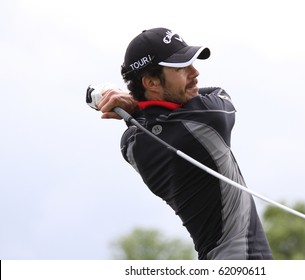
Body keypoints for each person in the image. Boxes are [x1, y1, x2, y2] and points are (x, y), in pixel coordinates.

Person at [96, 27, 273, 260]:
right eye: (181, 68)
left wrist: (136, 103)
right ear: (151, 82)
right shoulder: (209, 120)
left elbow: (149, 121)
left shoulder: (132, 145)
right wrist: (134, 104)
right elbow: (219, 93)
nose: (195, 72)